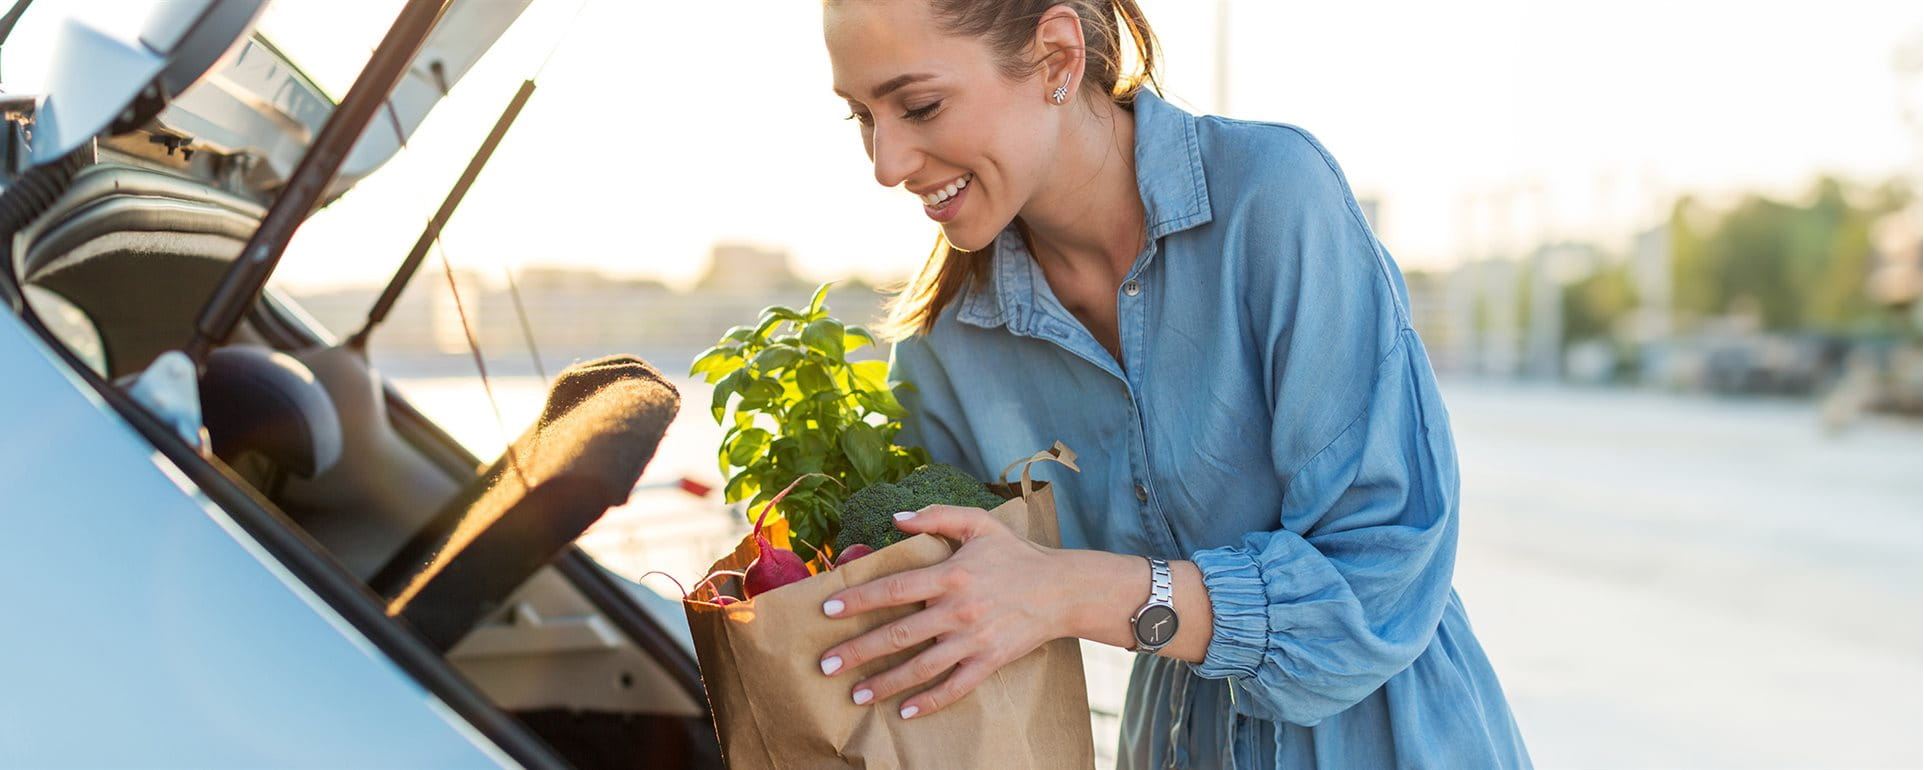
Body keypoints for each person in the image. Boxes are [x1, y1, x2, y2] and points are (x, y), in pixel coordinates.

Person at [813, 1, 1533, 766]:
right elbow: (945, 610)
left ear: (1057, 58)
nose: (886, 165)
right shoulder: (944, 348)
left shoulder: (1272, 198)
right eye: (861, 116)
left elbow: (1376, 584)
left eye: (919, 106)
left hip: (1396, 739)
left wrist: (1068, 591)